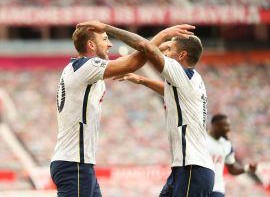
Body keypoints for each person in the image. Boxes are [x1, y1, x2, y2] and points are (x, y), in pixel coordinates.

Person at [50, 22, 195, 197]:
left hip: (77, 163)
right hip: (74, 164)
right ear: (91, 44)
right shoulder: (85, 67)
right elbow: (133, 62)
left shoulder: (77, 68)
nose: (110, 44)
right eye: (104, 39)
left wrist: (154, 48)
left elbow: (129, 59)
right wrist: (162, 35)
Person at [108, 27, 215, 196]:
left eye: (169, 50)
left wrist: (107, 28)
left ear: (182, 56)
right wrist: (142, 79)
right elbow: (168, 90)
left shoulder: (182, 74)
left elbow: (146, 47)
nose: (164, 53)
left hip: (193, 169)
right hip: (185, 168)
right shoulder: (191, 79)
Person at [207, 114, 257, 197]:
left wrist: (247, 168)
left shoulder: (227, 145)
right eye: (225, 126)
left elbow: (232, 169)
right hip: (199, 184)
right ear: (214, 125)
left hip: (217, 188)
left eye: (229, 126)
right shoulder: (202, 140)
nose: (228, 129)